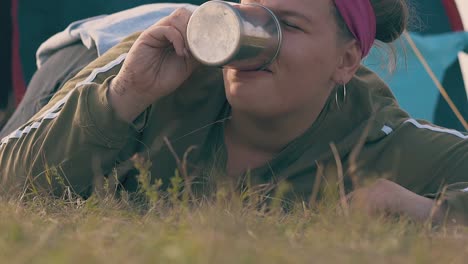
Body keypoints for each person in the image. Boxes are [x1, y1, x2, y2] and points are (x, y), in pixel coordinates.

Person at [1, 0, 467, 226]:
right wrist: (126, 94)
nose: (250, 42)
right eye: (248, 15)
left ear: (346, 61)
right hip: (83, 57)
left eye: (287, 25)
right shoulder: (158, 67)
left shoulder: (380, 140)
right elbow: (8, 182)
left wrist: (427, 213)